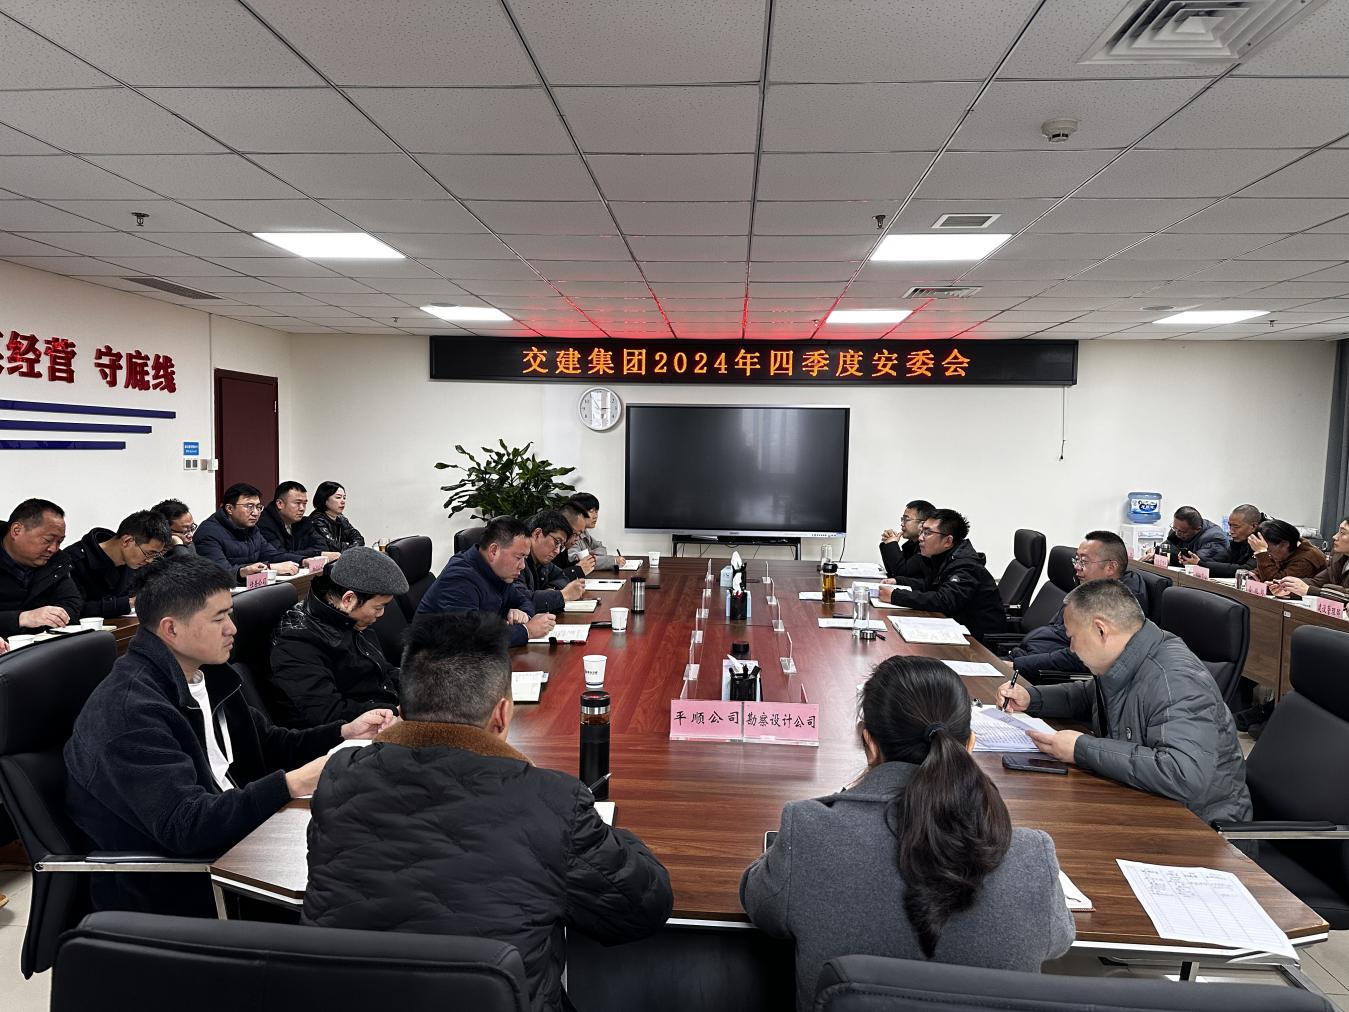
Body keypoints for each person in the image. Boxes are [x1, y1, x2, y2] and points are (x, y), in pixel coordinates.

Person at [303, 613, 673, 1012]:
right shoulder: (552, 801)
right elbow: (643, 906)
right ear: (501, 714)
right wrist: (602, 829)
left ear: (402, 707)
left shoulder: (339, 777)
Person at [64, 554, 396, 915]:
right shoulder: (130, 711)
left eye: (230, 614)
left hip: (243, 837)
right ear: (171, 629)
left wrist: (344, 732)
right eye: (219, 618)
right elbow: (187, 826)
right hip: (186, 885)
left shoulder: (208, 674)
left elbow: (268, 744)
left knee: (385, 845)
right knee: (367, 894)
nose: (232, 629)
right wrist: (294, 783)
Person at [741, 656, 1072, 1012]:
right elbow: (1059, 940)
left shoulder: (809, 832)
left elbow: (760, 903)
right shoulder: (1030, 855)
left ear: (870, 744)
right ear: (970, 745)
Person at [997, 579, 1251, 824]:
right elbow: (1088, 695)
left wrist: (1081, 749)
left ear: (1101, 630)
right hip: (1145, 803)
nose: (1071, 648)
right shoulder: (1130, 657)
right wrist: (1032, 698)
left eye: (1072, 637)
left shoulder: (1175, 678)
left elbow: (1183, 773)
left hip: (1198, 826)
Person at [270, 547, 409, 728]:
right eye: (378, 607)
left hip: (384, 712)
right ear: (348, 599)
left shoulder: (351, 619)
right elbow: (327, 713)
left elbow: (382, 670)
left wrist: (421, 684)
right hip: (356, 732)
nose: (381, 614)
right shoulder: (296, 640)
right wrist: (394, 711)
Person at [1008, 531, 1148, 676]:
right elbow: (1055, 632)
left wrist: (1019, 665)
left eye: (1084, 562)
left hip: (1043, 673)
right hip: (1026, 656)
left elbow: (1079, 657)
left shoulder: (1118, 606)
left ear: (1111, 567)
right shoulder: (1091, 588)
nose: (1077, 567)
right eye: (1076, 560)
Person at [417, 517, 556, 646]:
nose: (523, 566)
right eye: (519, 557)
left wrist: (523, 613)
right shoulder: (459, 579)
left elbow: (523, 600)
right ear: (494, 551)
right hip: (434, 659)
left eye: (525, 558)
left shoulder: (497, 571)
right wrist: (527, 631)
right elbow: (470, 636)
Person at [878, 509, 1007, 644]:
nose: (920, 538)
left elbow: (945, 600)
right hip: (954, 629)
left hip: (978, 641)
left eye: (927, 533)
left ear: (948, 541)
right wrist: (898, 581)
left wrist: (896, 596)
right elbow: (929, 584)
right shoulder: (942, 557)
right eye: (922, 531)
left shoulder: (966, 566)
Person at [66, 510, 171, 618]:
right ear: (127, 541)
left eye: (155, 555)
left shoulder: (136, 560)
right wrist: (129, 603)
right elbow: (74, 609)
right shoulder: (73, 560)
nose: (150, 560)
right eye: (149, 553)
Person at [0, 498, 81, 636]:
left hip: (40, 644)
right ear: (16, 530)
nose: (53, 549)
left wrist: (41, 619)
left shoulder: (56, 562)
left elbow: (72, 605)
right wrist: (22, 619)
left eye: (59, 542)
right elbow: (30, 618)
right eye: (47, 540)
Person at [194, 483, 304, 581]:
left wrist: (303, 560)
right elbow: (221, 573)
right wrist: (269, 567)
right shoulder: (208, 533)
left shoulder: (252, 529)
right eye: (249, 506)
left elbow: (272, 554)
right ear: (229, 508)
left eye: (258, 507)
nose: (255, 513)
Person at [518, 509, 586, 613]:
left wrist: (551, 590)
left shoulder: (542, 562)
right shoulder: (518, 560)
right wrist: (563, 595)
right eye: (557, 542)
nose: (557, 551)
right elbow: (520, 600)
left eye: (561, 546)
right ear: (537, 534)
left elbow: (562, 577)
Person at [259, 481, 336, 561]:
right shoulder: (264, 523)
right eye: (297, 503)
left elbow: (322, 547)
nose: (302, 508)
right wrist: (316, 554)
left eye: (304, 503)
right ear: (280, 504)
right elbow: (279, 555)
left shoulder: (304, 522)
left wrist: (305, 554)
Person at [1275, 516, 1349, 599]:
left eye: (1342, 532)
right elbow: (1317, 582)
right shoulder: (1338, 556)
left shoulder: (1307, 555)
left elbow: (1346, 595)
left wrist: (1309, 590)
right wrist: (1286, 586)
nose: (1335, 537)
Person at [1144, 506, 1229, 566]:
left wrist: (1161, 556)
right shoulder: (1178, 530)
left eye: (1182, 532)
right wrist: (1154, 552)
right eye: (1174, 528)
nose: (1177, 533)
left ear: (1197, 529)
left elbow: (1192, 561)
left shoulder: (1214, 538)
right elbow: (1166, 546)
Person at [1248, 519, 1327, 584]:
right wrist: (1255, 574)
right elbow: (1271, 567)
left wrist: (1261, 553)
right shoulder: (1284, 551)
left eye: (1269, 551)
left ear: (1284, 544)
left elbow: (1274, 584)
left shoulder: (1306, 559)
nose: (1268, 556)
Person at [879, 499, 933, 582]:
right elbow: (892, 571)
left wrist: (892, 544)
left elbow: (901, 573)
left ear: (922, 524)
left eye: (906, 520)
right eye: (902, 519)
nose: (902, 524)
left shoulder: (927, 547)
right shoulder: (911, 545)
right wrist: (888, 543)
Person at [567, 492, 625, 570]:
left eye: (596, 511)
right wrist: (613, 561)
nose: (595, 516)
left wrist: (590, 555)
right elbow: (578, 562)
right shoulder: (571, 535)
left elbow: (602, 549)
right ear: (578, 512)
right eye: (591, 511)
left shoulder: (584, 533)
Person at [309, 481, 365, 553]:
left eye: (344, 498)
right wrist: (351, 545)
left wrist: (350, 546)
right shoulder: (317, 520)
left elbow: (359, 539)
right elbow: (333, 547)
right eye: (338, 497)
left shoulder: (341, 518)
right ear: (325, 499)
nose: (343, 501)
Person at [559, 500, 596, 578]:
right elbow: (552, 579)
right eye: (576, 534)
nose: (578, 539)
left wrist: (579, 564)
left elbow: (562, 569)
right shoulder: (552, 548)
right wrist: (577, 570)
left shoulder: (563, 548)